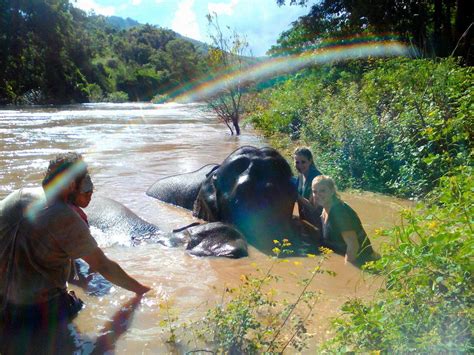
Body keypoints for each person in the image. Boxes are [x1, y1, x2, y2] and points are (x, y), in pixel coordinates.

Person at [0, 152, 150, 327]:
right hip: (33, 313)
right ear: (71, 185)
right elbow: (103, 265)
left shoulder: (18, 196)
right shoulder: (65, 217)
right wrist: (142, 290)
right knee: (83, 305)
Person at [311, 175, 374, 265]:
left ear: (332, 191)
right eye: (314, 192)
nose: (317, 195)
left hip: (364, 262)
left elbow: (353, 246)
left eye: (322, 191)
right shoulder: (325, 208)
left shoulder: (340, 213)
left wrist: (347, 269)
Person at [293, 147, 323, 230]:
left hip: (318, 223)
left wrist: (296, 196)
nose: (300, 165)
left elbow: (314, 208)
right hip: (306, 221)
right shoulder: (300, 176)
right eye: (297, 162)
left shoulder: (317, 179)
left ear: (310, 161)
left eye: (303, 162)